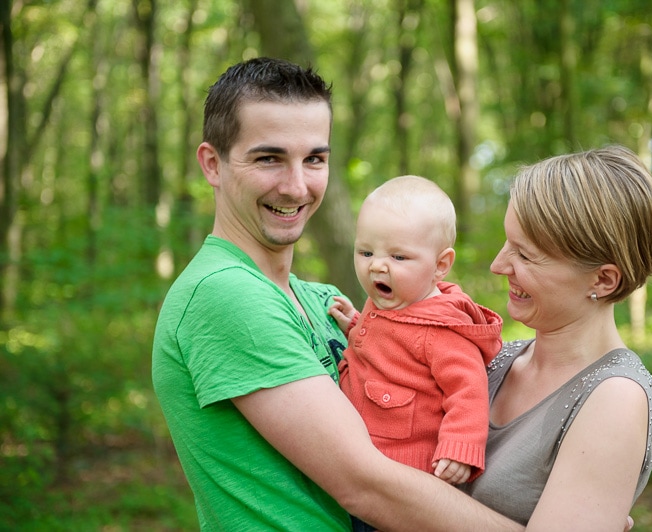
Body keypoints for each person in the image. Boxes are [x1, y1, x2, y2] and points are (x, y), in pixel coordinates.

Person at [151, 57, 522, 531]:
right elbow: (366, 484)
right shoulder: (224, 295)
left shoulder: (326, 302)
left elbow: (447, 385)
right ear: (212, 164)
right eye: (269, 158)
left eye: (314, 159)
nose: (296, 185)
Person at [461, 145, 652, 529]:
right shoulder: (493, 360)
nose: (498, 265)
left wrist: (377, 485)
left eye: (525, 256)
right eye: (507, 244)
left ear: (603, 280)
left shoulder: (615, 398)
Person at [328, 176, 503, 530]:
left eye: (398, 256)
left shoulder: (441, 330)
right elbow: (388, 349)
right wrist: (356, 326)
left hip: (403, 474)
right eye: (366, 253)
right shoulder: (389, 299)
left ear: (440, 265)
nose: (377, 265)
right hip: (361, 466)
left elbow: (467, 391)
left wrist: (460, 448)